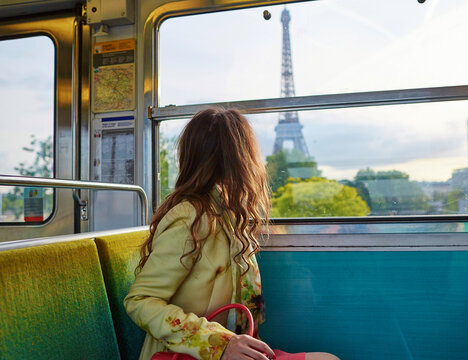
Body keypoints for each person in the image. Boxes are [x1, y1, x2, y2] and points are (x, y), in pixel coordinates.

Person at [124, 108, 340, 360]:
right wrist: (219, 343)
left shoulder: (229, 215)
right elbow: (140, 300)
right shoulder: (190, 217)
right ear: (240, 159)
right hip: (188, 354)